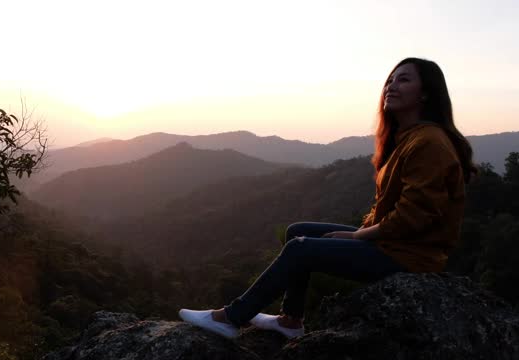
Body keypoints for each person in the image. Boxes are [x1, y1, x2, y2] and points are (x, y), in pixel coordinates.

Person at [178, 57, 478, 339]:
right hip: (394, 243)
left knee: (300, 249)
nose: (391, 86)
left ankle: (231, 318)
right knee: (299, 231)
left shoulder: (429, 143)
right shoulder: (408, 138)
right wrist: (363, 236)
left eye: (404, 80)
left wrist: (360, 236)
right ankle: (290, 321)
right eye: (390, 81)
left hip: (410, 256)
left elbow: (416, 215)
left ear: (425, 94)